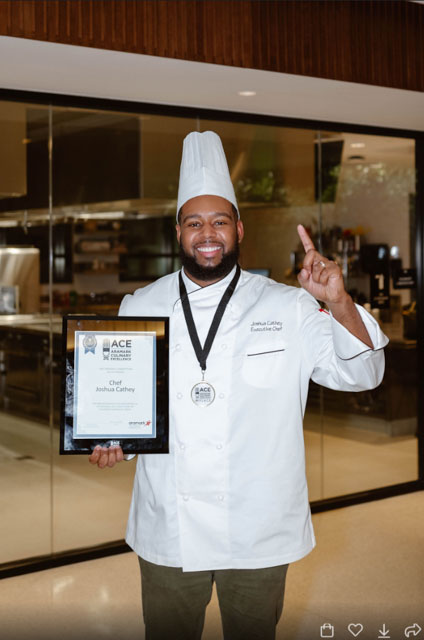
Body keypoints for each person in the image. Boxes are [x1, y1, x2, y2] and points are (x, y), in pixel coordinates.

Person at [89, 131, 388, 640]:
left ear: (239, 229)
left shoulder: (287, 304)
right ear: (178, 231)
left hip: (258, 525)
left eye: (219, 221)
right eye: (195, 222)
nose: (208, 233)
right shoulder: (138, 306)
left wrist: (338, 302)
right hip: (169, 524)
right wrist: (111, 437)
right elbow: (127, 407)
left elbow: (363, 373)